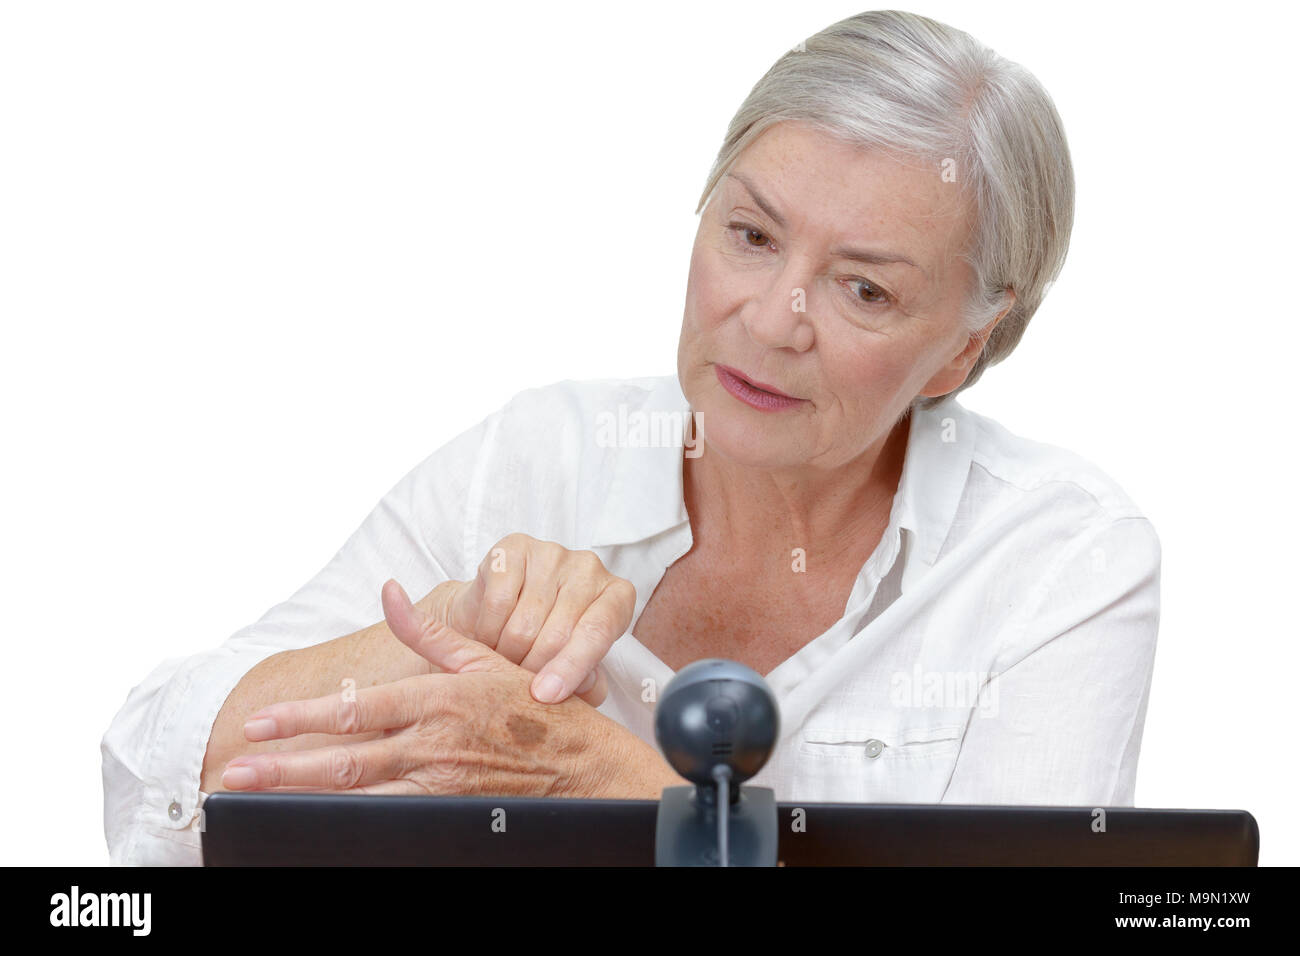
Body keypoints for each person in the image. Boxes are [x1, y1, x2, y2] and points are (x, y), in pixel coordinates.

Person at [102, 9, 1160, 865]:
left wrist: (604, 781)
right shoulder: (538, 455)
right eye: (750, 234)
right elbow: (156, 765)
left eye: (863, 288)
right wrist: (432, 629)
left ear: (960, 349)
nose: (770, 317)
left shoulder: (1058, 560)